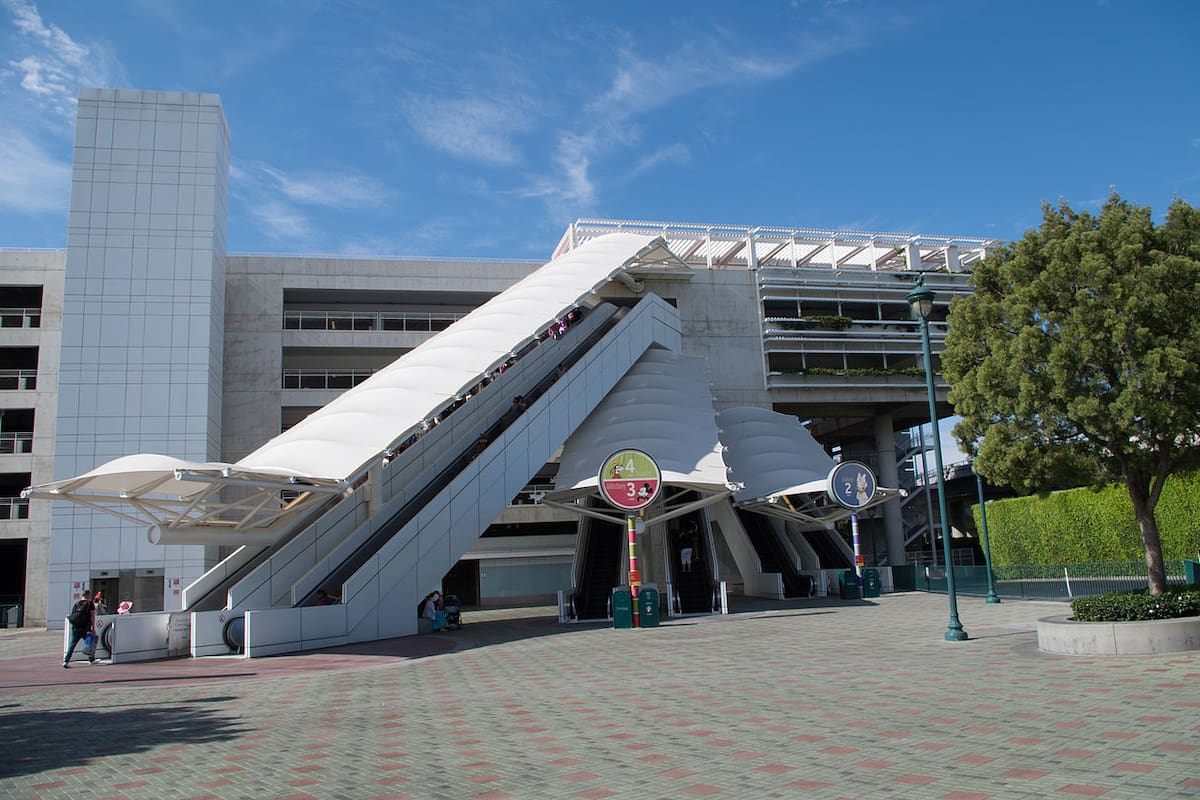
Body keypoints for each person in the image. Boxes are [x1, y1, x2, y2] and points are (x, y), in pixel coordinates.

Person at [63, 589, 96, 668]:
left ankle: (66, 661)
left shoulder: (77, 603)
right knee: (89, 642)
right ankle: (91, 659)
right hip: (85, 627)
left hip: (76, 627)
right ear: (88, 595)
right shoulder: (90, 603)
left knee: (72, 644)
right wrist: (93, 627)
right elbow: (92, 616)